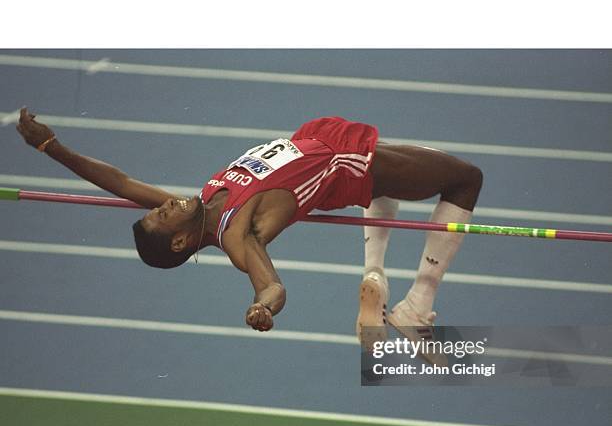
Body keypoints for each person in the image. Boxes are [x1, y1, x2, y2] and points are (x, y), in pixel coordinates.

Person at [16, 108, 482, 346]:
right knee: (465, 179)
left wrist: (52, 147)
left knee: (391, 187)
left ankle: (376, 271)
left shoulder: (199, 204)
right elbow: (270, 286)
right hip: (345, 162)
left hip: (322, 145)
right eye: (162, 215)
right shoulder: (238, 236)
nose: (163, 204)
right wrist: (263, 307)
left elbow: (118, 181)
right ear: (180, 240)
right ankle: (417, 305)